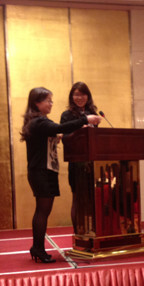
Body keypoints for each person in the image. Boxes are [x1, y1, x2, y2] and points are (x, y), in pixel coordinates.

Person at [21, 87, 101, 263]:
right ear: (37, 103)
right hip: (40, 171)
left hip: (44, 171)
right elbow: (61, 127)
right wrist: (85, 119)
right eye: (48, 101)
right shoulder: (38, 121)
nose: (51, 104)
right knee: (42, 211)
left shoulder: (40, 121)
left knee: (43, 211)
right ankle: (38, 248)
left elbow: (54, 132)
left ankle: (38, 247)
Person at [60, 82, 100, 233]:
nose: (79, 98)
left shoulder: (92, 113)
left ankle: (93, 231)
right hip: (76, 162)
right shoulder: (67, 115)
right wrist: (80, 131)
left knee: (92, 199)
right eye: (76, 94)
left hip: (92, 162)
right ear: (72, 97)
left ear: (88, 96)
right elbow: (64, 138)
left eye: (83, 94)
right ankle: (79, 233)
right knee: (77, 198)